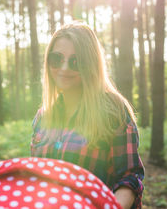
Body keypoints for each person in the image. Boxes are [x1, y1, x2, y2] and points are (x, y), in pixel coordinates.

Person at [31, 23, 145, 209]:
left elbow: (129, 177)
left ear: (90, 64)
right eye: (56, 59)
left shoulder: (112, 111)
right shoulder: (43, 116)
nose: (64, 68)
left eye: (75, 61)